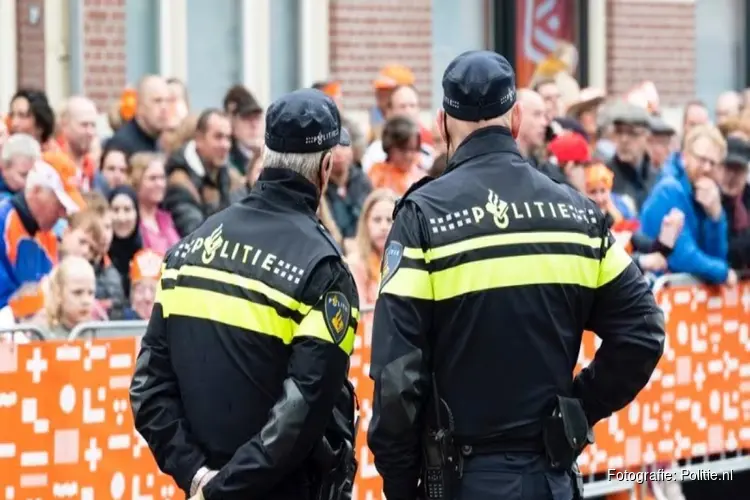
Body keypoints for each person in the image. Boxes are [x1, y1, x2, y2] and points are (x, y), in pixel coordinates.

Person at [367, 50, 665, 500]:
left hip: (464, 477)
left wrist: (399, 481)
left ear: (442, 122)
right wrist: (579, 407)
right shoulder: (576, 212)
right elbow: (643, 332)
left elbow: (396, 376)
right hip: (550, 476)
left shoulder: (423, 217)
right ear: (516, 117)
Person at [130, 88, 360, 500]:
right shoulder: (324, 269)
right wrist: (225, 488)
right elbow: (302, 410)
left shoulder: (188, 248)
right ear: (326, 167)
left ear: (265, 154)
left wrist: (197, 476)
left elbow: (148, 388)